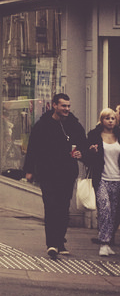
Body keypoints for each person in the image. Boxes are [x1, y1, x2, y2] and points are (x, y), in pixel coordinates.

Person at [23, 93, 88, 260]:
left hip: (67, 173)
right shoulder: (43, 125)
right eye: (63, 106)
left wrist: (82, 153)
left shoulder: (74, 125)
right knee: (51, 207)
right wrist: (29, 170)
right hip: (47, 173)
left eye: (68, 106)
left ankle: (60, 241)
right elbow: (32, 148)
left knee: (63, 208)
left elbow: (84, 144)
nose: (66, 109)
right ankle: (51, 244)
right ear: (54, 105)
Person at [86, 107, 120, 257]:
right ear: (101, 120)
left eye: (113, 118)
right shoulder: (94, 135)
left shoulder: (119, 135)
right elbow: (87, 158)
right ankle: (104, 244)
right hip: (102, 179)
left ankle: (107, 242)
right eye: (107, 118)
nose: (110, 121)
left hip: (117, 179)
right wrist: (91, 152)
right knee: (105, 209)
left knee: (113, 213)